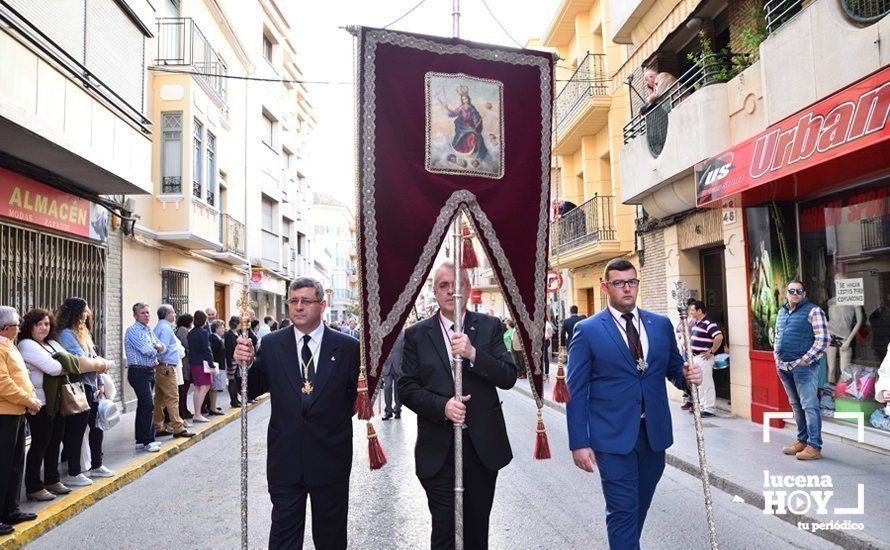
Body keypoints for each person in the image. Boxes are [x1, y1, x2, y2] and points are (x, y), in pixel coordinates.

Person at [566, 258, 701, 549]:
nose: (626, 289)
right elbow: (575, 391)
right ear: (605, 287)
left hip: (654, 436)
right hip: (612, 437)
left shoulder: (660, 325)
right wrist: (578, 442)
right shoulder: (588, 330)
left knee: (637, 507)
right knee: (622, 511)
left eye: (631, 282)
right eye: (618, 283)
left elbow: (675, 370)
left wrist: (689, 375)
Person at [233, 277, 359, 549]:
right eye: (294, 301)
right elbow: (251, 389)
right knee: (283, 537)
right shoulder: (273, 344)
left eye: (306, 301)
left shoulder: (347, 347)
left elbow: (353, 398)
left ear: (322, 305)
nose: (299, 307)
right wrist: (244, 365)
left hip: (330, 458)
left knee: (331, 537)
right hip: (285, 458)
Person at [398, 262, 517, 550]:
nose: (451, 290)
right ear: (435, 293)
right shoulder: (417, 335)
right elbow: (407, 388)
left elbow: (508, 376)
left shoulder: (490, 327)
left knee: (476, 530)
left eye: (457, 284)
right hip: (438, 450)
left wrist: (474, 354)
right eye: (443, 285)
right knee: (445, 531)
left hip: (481, 449)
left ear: (468, 288)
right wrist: (443, 407)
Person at [17, 309, 107, 501]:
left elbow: (71, 362)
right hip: (39, 403)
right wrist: (67, 363)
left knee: (55, 442)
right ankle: (34, 486)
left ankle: (52, 479)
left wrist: (67, 363)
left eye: (47, 324)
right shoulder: (26, 345)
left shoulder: (52, 342)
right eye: (38, 324)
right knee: (40, 443)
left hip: (58, 401)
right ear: (30, 326)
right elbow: (55, 367)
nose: (43, 328)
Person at [57, 298, 115, 483]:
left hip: (91, 386)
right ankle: (74, 472)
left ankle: (97, 464)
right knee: (77, 430)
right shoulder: (66, 334)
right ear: (76, 313)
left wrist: (99, 381)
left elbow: (92, 359)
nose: (87, 314)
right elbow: (81, 363)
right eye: (84, 311)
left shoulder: (83, 333)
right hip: (79, 387)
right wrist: (103, 365)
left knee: (97, 426)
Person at [775, 280, 829, 461]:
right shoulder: (782, 312)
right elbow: (777, 335)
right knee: (796, 405)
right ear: (786, 293)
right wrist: (776, 356)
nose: (795, 293)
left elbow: (823, 340)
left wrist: (805, 360)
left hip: (803, 368)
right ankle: (802, 440)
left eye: (799, 291)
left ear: (804, 294)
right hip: (784, 366)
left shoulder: (814, 311)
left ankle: (814, 446)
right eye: (792, 290)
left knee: (809, 406)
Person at [0, 306, 40, 535]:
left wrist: (30, 398)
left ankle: (11, 509)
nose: (19, 328)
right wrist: (28, 399)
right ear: (6, 328)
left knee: (15, 465)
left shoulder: (10, 347)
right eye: (17, 325)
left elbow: (21, 376)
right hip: (4, 414)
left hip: (17, 411)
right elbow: (3, 384)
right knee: (3, 465)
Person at [124, 302, 165, 452]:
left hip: (150, 371)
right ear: (135, 315)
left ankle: (141, 440)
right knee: (148, 405)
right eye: (142, 313)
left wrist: (157, 347)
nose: (146, 315)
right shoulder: (133, 331)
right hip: (138, 372)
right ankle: (148, 441)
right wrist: (156, 347)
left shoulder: (148, 330)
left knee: (143, 406)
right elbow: (147, 350)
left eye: (148, 312)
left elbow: (162, 346)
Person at [152, 306, 194, 439]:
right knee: (173, 397)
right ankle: (178, 427)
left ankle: (158, 426)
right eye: (173, 312)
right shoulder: (166, 328)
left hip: (161, 367)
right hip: (167, 368)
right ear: (167, 314)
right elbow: (162, 349)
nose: (175, 314)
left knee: (160, 399)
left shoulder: (159, 327)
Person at [687, 300, 723, 418]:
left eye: (692, 310)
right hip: (696, 357)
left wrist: (711, 351)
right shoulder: (696, 323)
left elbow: (719, 337)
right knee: (700, 384)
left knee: (706, 383)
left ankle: (709, 408)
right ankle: (702, 406)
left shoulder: (709, 323)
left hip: (704, 358)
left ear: (699, 311)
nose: (690, 312)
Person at [188, 310, 215, 424]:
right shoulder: (203, 332)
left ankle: (197, 413)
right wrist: (211, 363)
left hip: (194, 363)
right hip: (202, 363)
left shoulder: (191, 333)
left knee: (198, 388)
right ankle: (198, 414)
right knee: (204, 387)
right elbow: (206, 349)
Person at [382, 329, 405, 420]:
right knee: (387, 387)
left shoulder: (404, 335)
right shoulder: (384, 334)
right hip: (387, 366)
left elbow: (406, 351)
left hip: (399, 366)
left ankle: (398, 409)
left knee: (398, 389)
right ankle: (388, 411)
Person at [175, 314, 194, 421]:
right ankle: (182, 410)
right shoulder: (182, 330)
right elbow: (187, 345)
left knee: (185, 389)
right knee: (183, 389)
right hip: (184, 363)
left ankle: (184, 409)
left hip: (186, 363)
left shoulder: (183, 330)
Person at [209, 320, 228, 414]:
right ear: (216, 329)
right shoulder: (214, 339)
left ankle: (213, 405)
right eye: (222, 327)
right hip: (217, 365)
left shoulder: (218, 338)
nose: (223, 329)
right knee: (214, 388)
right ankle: (212, 407)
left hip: (219, 365)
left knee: (215, 388)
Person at [224, 316, 242, 408]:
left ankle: (236, 399)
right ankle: (233, 400)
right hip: (232, 360)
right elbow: (228, 349)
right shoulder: (229, 335)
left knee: (236, 380)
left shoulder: (237, 333)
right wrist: (229, 363)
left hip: (237, 360)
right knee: (232, 380)